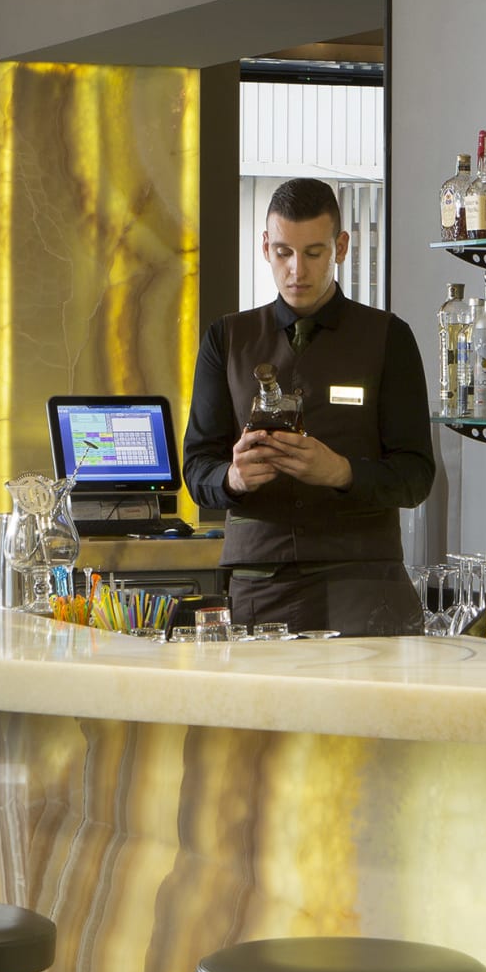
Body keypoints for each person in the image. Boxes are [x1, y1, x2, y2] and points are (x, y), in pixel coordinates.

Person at [182, 177, 435, 636]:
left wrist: (342, 472)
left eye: (314, 253)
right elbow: (197, 467)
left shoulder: (388, 338)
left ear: (341, 247)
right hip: (260, 581)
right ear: (265, 247)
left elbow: (416, 476)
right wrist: (233, 478)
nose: (296, 270)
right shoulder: (226, 339)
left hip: (363, 581)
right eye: (283, 252)